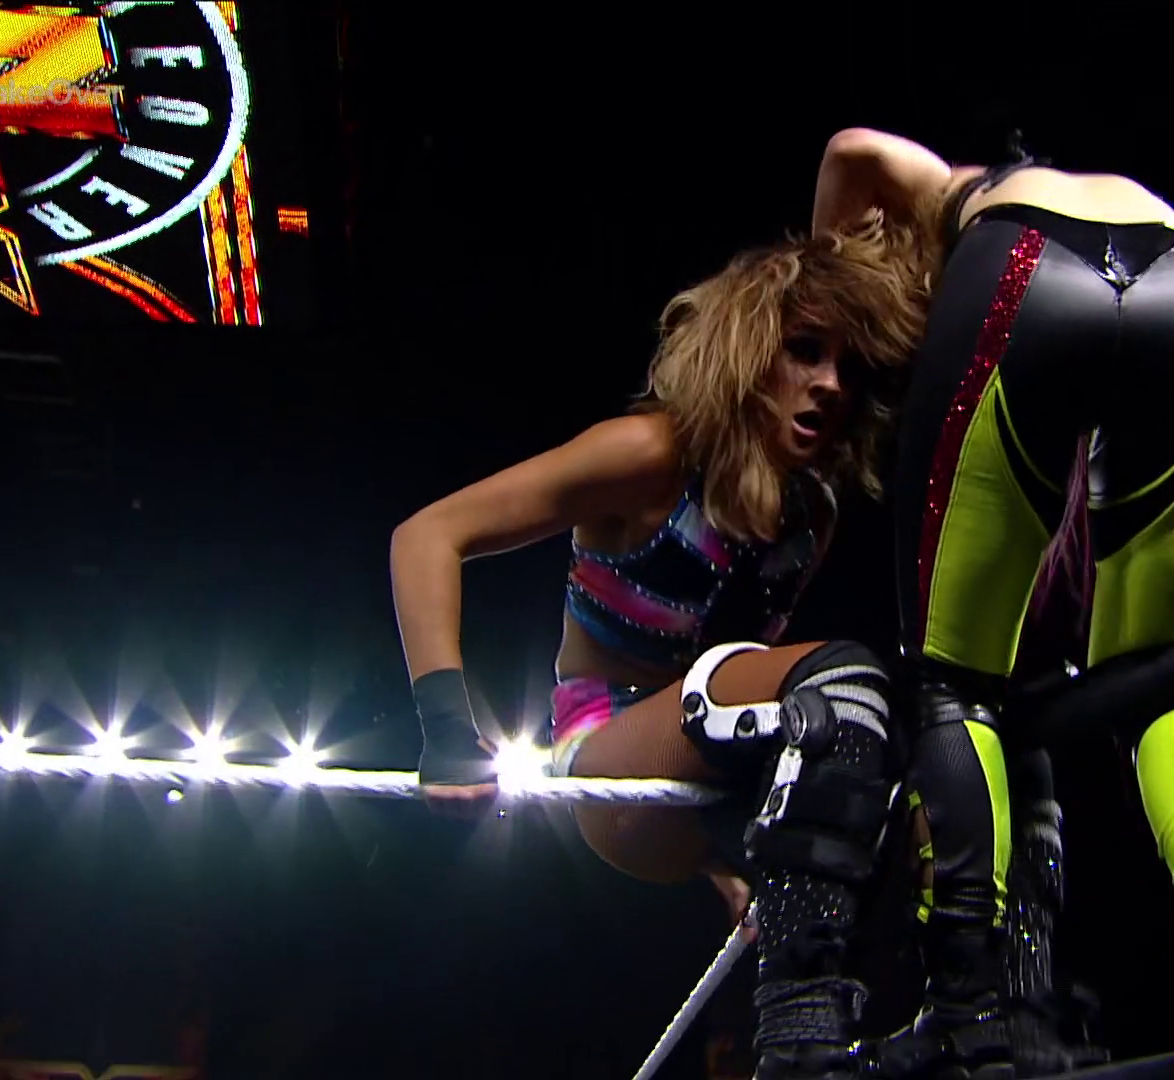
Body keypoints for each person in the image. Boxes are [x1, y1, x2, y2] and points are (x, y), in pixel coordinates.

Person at [810, 128, 1174, 1078]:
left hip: (1021, 274)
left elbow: (853, 148)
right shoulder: (1126, 210)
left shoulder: (957, 192)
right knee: (1170, 676)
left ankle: (968, 1004)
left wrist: (832, 290)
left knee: (953, 684)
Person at [389, 216, 934, 1080]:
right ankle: (798, 1020)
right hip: (607, 759)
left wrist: (730, 861)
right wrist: (446, 729)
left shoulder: (809, 514)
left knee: (918, 786)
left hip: (699, 788)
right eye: (805, 351)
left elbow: (739, 692)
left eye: (849, 368)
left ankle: (929, 1017)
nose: (829, 385)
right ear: (749, 352)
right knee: (845, 683)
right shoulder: (649, 454)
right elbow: (428, 535)